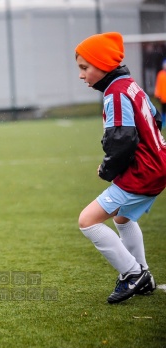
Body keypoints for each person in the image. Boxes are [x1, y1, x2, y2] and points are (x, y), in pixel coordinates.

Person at [75, 32, 166, 304]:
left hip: (144, 171)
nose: (81, 75)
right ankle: (144, 275)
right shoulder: (129, 85)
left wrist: (107, 169)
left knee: (87, 220)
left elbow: (121, 138)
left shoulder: (114, 94)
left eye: (84, 67)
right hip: (157, 163)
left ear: (103, 65)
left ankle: (131, 274)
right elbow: (156, 118)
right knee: (122, 218)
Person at [154, 58, 166, 125]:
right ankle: (164, 121)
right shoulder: (160, 74)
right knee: (163, 109)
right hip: (163, 96)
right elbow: (158, 85)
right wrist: (157, 94)